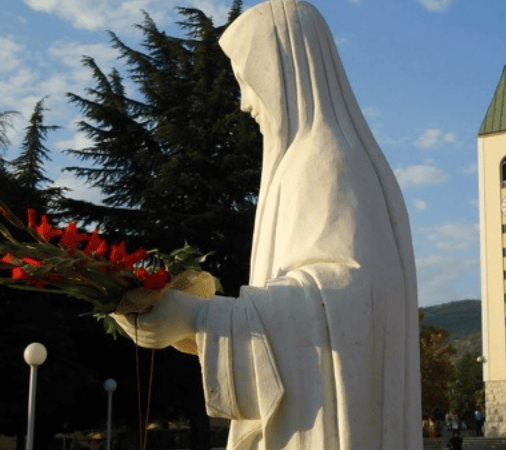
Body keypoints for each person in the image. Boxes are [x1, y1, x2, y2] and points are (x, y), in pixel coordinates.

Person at [111, 1, 422, 449]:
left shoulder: (326, 159)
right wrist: (195, 326)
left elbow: (353, 298)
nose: (244, 102)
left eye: (247, 81)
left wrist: (200, 316)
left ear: (282, 71)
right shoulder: (308, 160)